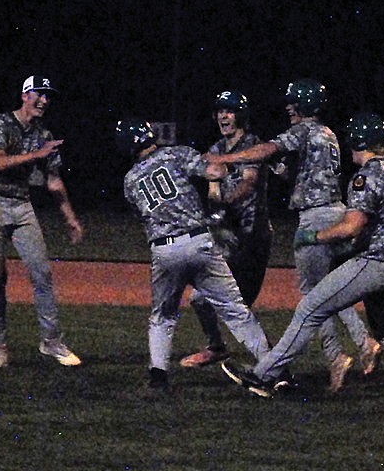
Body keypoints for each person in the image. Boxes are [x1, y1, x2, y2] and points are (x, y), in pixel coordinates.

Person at [221, 113, 384, 401]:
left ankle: (263, 376)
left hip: (378, 262)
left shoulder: (366, 176)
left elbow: (352, 226)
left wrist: (315, 237)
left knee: (309, 308)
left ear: (358, 141)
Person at [206, 79, 380, 392]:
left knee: (313, 295)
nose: (288, 107)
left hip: (315, 217)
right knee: (330, 289)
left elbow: (265, 149)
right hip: (336, 210)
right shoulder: (328, 134)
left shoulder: (304, 129)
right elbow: (294, 170)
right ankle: (362, 342)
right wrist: (280, 168)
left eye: (293, 102)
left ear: (304, 105)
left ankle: (337, 356)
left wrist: (225, 159)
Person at [116, 119, 271, 391]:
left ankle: (158, 376)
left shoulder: (129, 180)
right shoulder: (176, 153)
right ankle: (272, 364)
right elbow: (214, 172)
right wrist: (224, 167)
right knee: (235, 310)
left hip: (164, 249)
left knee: (163, 315)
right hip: (198, 242)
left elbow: (142, 215)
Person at [0, 75, 84, 368]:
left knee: (42, 272)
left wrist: (70, 218)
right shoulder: (0, 123)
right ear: (25, 95)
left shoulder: (44, 135)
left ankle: (51, 342)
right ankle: (0, 345)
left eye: (48, 96)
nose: (45, 100)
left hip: (21, 206)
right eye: (40, 94)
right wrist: (37, 154)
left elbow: (54, 181)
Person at [181, 90, 275, 367]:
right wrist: (215, 207)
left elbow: (249, 182)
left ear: (240, 116)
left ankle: (271, 361)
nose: (223, 115)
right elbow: (213, 191)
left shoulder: (251, 144)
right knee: (200, 297)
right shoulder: (216, 149)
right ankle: (216, 347)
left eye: (230, 111)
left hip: (252, 236)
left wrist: (226, 205)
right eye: (221, 110)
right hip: (228, 237)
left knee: (238, 304)